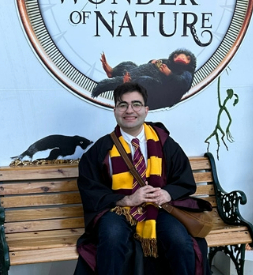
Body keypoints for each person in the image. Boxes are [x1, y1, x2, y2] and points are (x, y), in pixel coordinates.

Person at [74, 82, 211, 275]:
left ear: (146, 110)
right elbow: (91, 190)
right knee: (111, 238)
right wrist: (127, 200)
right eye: (123, 105)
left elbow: (184, 179)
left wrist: (167, 193)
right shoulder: (101, 149)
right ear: (115, 110)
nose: (130, 110)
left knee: (179, 239)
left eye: (136, 104)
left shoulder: (164, 143)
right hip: (117, 211)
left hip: (158, 209)